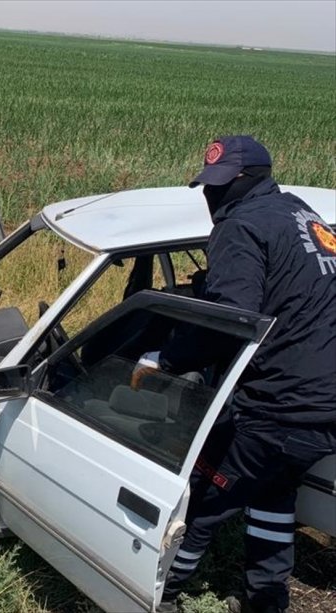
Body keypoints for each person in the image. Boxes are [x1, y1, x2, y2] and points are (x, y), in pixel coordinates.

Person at [133, 135, 336, 613]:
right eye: (208, 185)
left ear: (251, 180)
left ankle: (162, 593)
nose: (213, 196)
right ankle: (266, 600)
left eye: (222, 185)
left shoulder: (242, 227)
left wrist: (164, 359)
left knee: (206, 494)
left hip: (281, 405)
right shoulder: (301, 214)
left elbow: (229, 321)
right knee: (272, 492)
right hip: (321, 401)